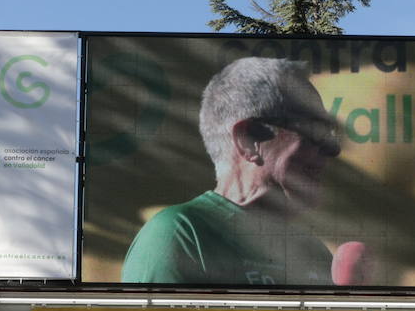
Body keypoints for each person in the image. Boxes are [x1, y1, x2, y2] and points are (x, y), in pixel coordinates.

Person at [120, 57, 341, 286]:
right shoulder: (181, 234)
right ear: (250, 138)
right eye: (315, 131)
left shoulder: (315, 253)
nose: (332, 150)